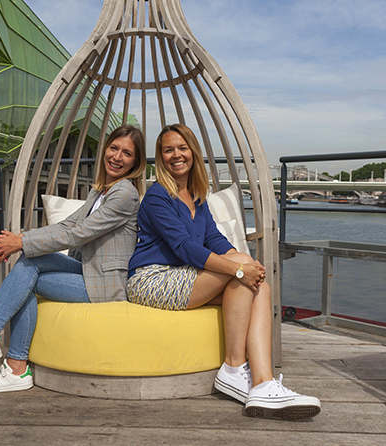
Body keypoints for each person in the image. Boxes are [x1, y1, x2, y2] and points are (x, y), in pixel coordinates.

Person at [126, 124, 321, 421]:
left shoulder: (197, 196)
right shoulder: (157, 196)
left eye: (182, 147)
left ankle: (263, 382)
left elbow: (213, 239)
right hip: (151, 279)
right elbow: (185, 247)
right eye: (168, 150)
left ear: (193, 151)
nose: (176, 155)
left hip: (184, 277)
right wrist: (238, 268)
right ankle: (232, 368)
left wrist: (246, 265)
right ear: (160, 156)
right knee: (242, 272)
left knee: (260, 288)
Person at [0, 125, 146, 393]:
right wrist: (18, 239)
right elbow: (67, 225)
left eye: (127, 153)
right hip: (88, 271)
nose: (117, 157)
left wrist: (21, 242)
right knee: (29, 260)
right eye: (114, 148)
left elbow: (79, 234)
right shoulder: (101, 191)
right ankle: (7, 360)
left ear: (136, 162)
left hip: (105, 284)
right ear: (105, 149)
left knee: (28, 269)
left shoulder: (125, 193)